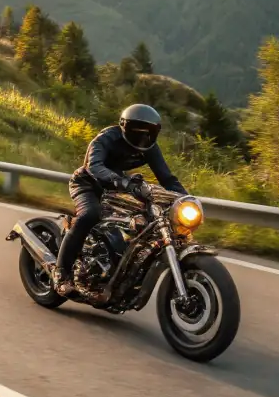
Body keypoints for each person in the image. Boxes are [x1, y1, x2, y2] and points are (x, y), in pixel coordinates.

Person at [53, 103, 187, 300]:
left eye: (149, 134)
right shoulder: (106, 139)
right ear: (125, 128)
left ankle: (120, 271)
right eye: (138, 133)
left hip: (119, 189)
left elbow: (166, 178)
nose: (144, 138)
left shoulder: (150, 147)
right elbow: (94, 166)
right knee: (90, 215)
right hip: (88, 184)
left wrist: (185, 198)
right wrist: (121, 181)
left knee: (144, 223)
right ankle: (61, 273)